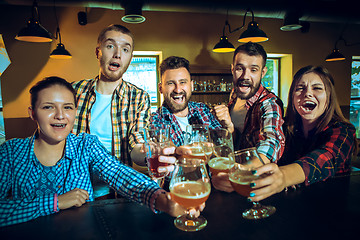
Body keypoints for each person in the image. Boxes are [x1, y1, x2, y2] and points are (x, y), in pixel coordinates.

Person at [0, 77, 200, 227]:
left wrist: (161, 198)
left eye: (68, 107)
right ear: (32, 113)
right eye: (48, 107)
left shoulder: (85, 145)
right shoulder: (10, 153)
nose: (60, 115)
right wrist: (54, 202)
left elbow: (119, 173)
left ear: (75, 111)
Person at [228, 66, 357, 202]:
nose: (307, 93)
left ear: (329, 96)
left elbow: (323, 159)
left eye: (317, 88)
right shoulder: (287, 129)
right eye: (300, 88)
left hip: (332, 208)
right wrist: (236, 174)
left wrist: (284, 177)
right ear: (292, 98)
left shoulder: (343, 131)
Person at [211, 42, 285, 192]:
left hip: (255, 186)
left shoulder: (269, 104)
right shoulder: (235, 94)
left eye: (253, 70)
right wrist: (230, 127)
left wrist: (238, 174)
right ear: (232, 69)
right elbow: (239, 143)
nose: (245, 76)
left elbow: (272, 143)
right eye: (240, 68)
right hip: (232, 185)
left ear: (263, 72)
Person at [71, 24, 149, 166]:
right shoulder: (74, 91)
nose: (117, 54)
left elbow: (137, 141)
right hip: (74, 183)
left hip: (117, 186)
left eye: (125, 49)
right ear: (98, 52)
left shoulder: (139, 97)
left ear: (130, 58)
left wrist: (148, 154)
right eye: (110, 46)